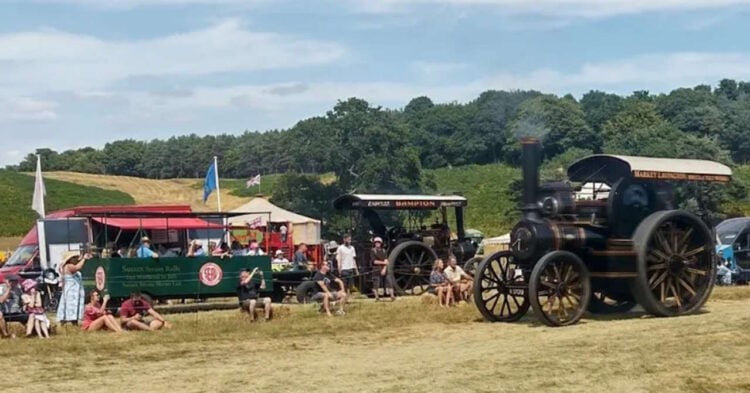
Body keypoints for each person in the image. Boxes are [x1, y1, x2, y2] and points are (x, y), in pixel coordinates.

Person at [57, 252, 92, 325]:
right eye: (74, 258)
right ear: (70, 259)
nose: (76, 259)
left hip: (73, 289)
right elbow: (77, 267)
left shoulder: (68, 265)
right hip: (71, 290)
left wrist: (83, 258)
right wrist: (84, 259)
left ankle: (74, 321)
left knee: (74, 305)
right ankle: (66, 320)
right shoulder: (68, 266)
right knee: (70, 305)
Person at [371, 237, 395, 301]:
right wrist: (383, 262)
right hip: (376, 268)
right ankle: (377, 297)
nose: (377, 244)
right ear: (374, 243)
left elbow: (386, 261)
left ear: (381, 243)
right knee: (376, 283)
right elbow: (374, 261)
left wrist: (384, 269)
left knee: (389, 282)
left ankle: (392, 296)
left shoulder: (384, 251)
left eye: (378, 242)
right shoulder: (373, 251)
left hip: (384, 268)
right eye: (376, 242)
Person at [0, 274, 23, 338]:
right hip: (5, 311)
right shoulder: (2, 288)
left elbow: (21, 300)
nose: (16, 282)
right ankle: (5, 334)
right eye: (14, 281)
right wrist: (9, 289)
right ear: (9, 281)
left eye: (17, 281)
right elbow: (1, 300)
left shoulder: (18, 289)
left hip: (17, 311)